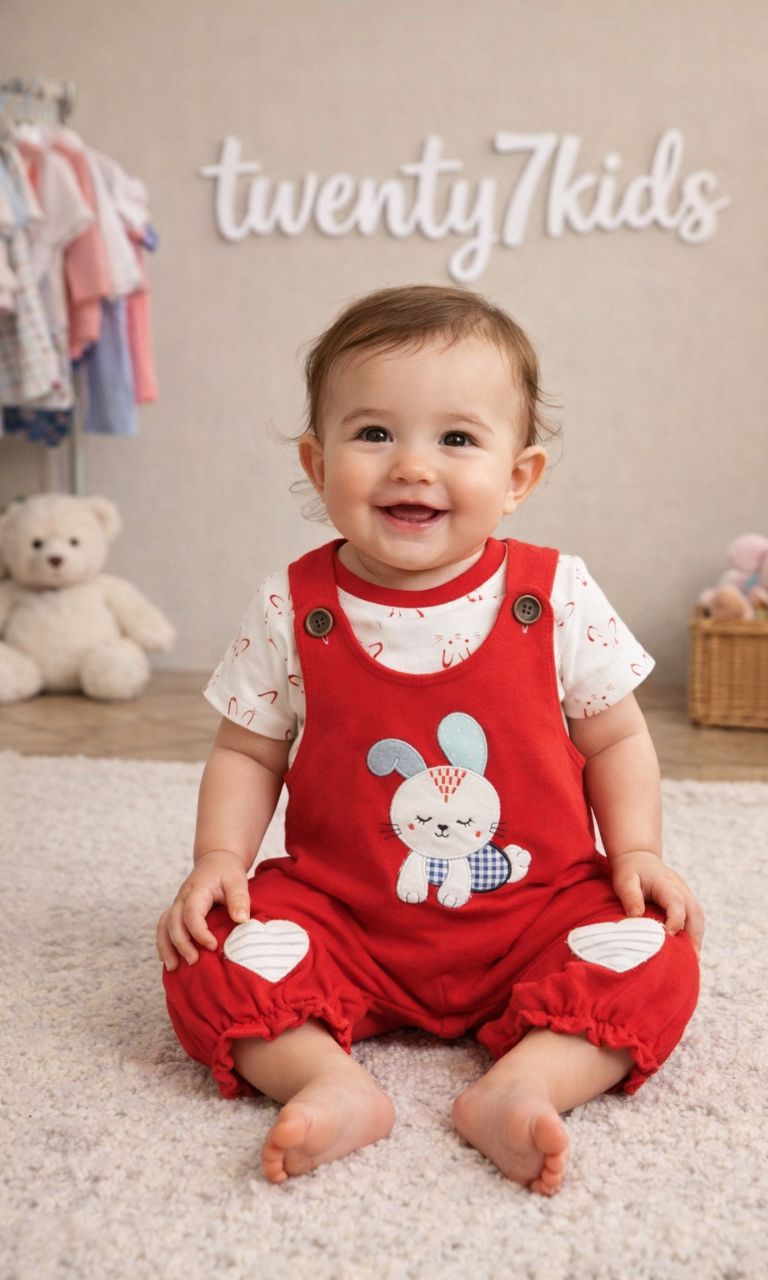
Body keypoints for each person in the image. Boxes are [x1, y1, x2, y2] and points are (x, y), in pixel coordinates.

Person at [157, 284, 703, 1196]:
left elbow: (615, 740)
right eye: (374, 434)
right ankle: (326, 1081)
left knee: (656, 949)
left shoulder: (556, 596)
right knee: (204, 946)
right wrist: (218, 859)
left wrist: (638, 852)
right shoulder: (293, 607)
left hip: (533, 912)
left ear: (517, 477)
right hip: (346, 917)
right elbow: (248, 751)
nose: (412, 466)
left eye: (455, 439)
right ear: (317, 461)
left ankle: (527, 1082)